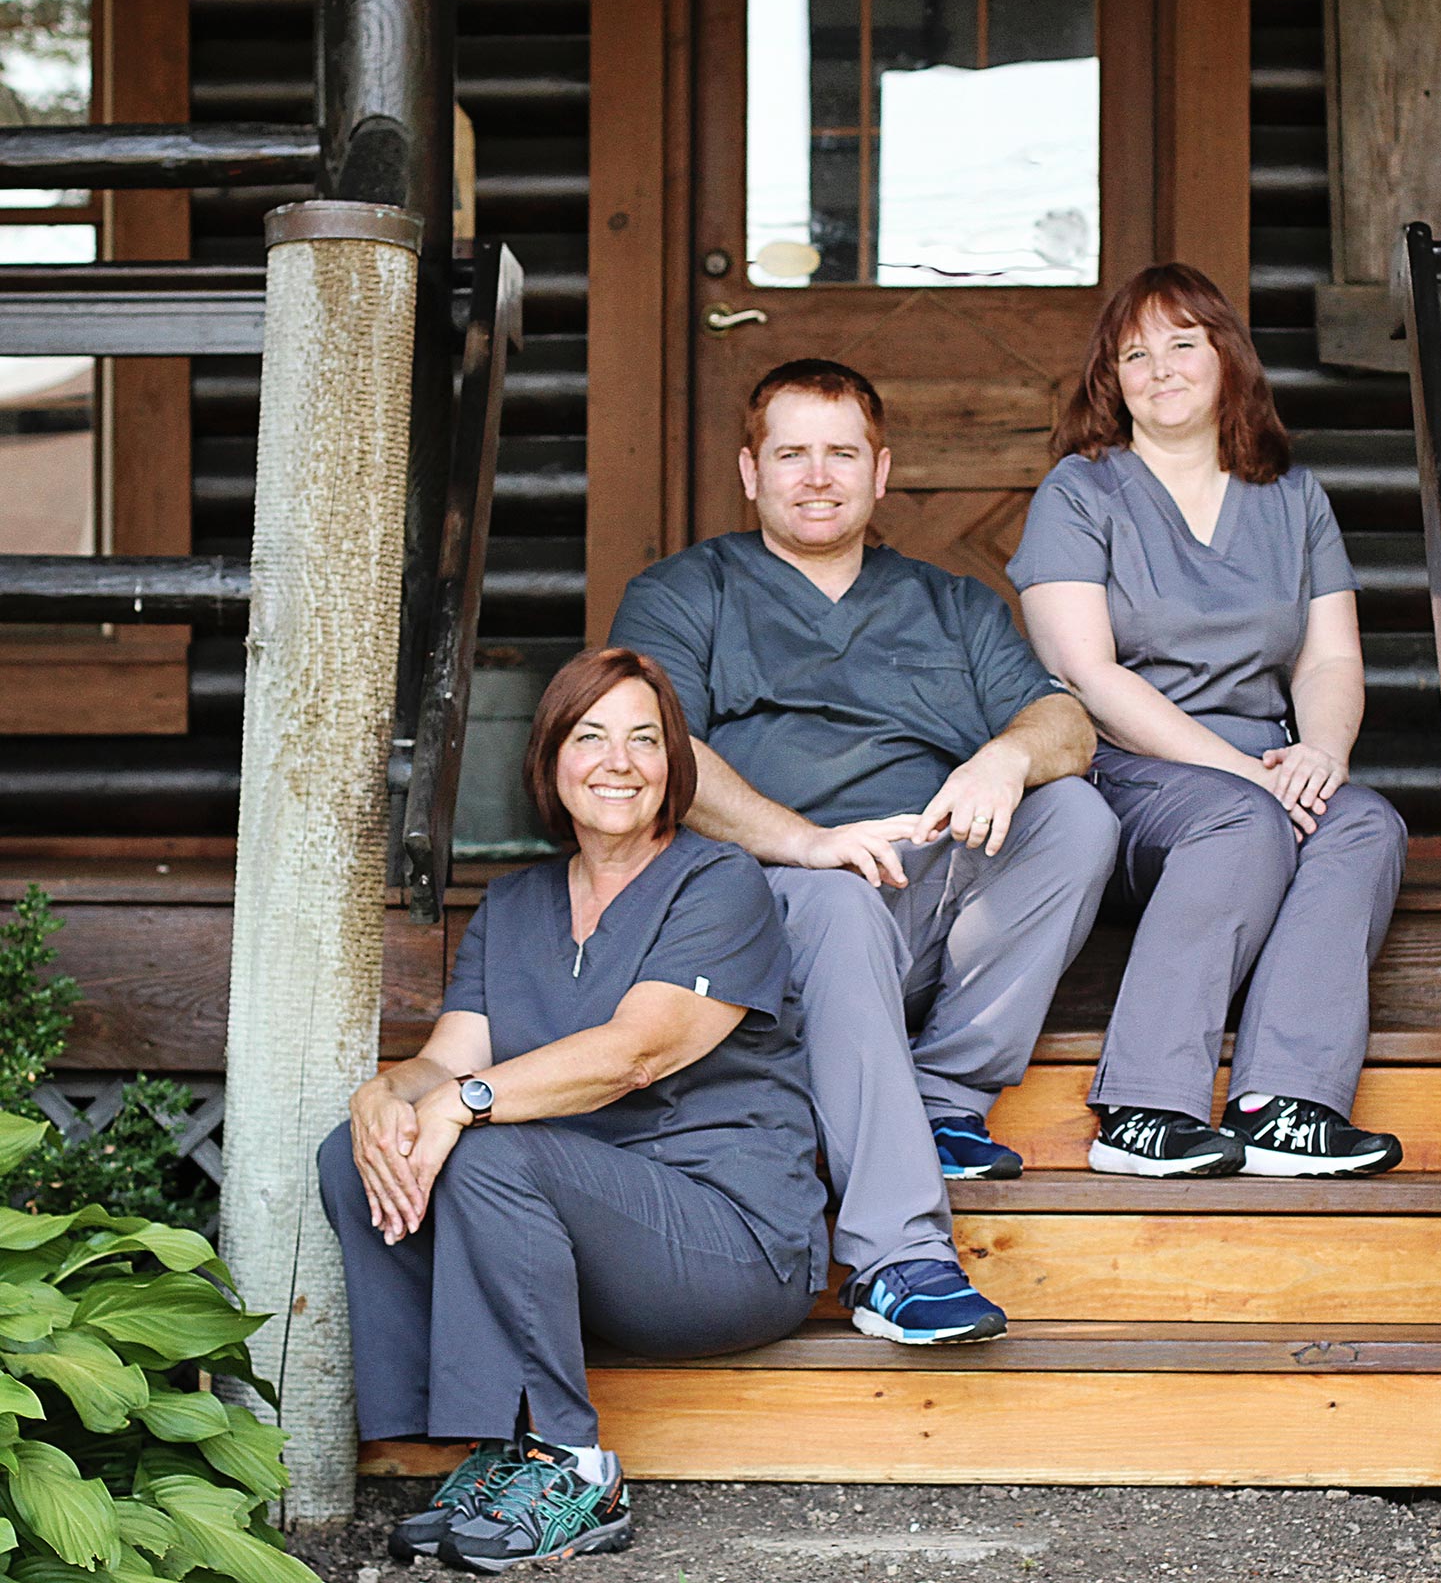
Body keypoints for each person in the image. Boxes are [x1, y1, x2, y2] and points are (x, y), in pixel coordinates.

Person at [608, 358, 1117, 1346]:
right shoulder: (684, 591)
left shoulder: (948, 603)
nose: (815, 476)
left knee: (1080, 815)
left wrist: (1007, 758)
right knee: (834, 896)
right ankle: (897, 1258)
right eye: (790, 453)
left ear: (880, 473)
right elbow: (654, 749)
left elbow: (1069, 722)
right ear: (749, 471)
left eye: (840, 453)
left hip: (923, 892)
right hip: (762, 897)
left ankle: (943, 1096)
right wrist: (807, 843)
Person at [317, 647, 827, 1572]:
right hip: (581, 1244)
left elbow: (640, 1051)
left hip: (728, 1240)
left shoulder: (721, 884)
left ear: (675, 764)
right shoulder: (514, 905)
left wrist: (464, 1105)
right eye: (590, 738)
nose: (618, 762)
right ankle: (489, 1447)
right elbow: (449, 1058)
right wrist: (384, 1096)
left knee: (486, 1146)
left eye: (644, 739)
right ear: (551, 759)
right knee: (356, 1152)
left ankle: (574, 1466)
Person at [1006, 262, 1407, 1180]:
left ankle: (1287, 1104)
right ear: (1113, 379)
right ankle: (1144, 1109)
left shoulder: (1290, 495)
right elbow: (1088, 672)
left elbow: (1330, 658)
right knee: (1244, 820)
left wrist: (1320, 754)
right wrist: (1243, 773)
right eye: (1135, 353)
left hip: (1265, 764)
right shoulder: (1081, 491)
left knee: (1364, 824)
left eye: (1183, 344)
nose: (1161, 369)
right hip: (1130, 766)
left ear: (1226, 359)